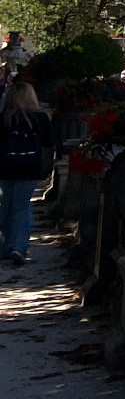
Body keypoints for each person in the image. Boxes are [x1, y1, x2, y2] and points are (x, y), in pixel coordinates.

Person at [0, 78, 55, 267]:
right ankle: (19, 246)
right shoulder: (40, 118)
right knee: (21, 206)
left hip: (6, 166)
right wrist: (47, 167)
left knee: (7, 205)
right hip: (30, 166)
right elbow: (49, 144)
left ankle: (9, 244)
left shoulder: (4, 118)